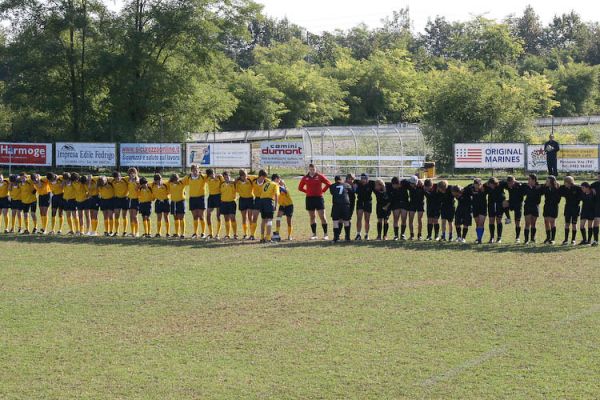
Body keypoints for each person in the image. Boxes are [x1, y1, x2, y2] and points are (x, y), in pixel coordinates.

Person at [298, 164, 331, 240]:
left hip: (319, 198)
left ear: (315, 169)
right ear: (308, 169)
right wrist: (307, 191)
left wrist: (323, 191)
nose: (312, 171)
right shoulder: (305, 177)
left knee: (322, 217)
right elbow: (300, 188)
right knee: (312, 217)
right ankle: (314, 234)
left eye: (313, 169)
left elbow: (329, 183)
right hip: (309, 199)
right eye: (310, 169)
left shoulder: (320, 176)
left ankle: (325, 234)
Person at [182, 165, 208, 239]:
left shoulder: (203, 177)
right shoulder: (188, 177)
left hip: (201, 198)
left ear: (198, 170)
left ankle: (203, 233)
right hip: (192, 198)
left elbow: (211, 177)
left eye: (196, 170)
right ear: (191, 170)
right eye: (193, 170)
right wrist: (183, 192)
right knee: (195, 216)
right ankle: (195, 233)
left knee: (201, 216)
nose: (195, 171)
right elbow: (180, 183)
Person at [502, 176, 525, 243]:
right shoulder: (507, 185)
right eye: (508, 183)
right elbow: (501, 183)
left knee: (517, 222)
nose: (510, 185)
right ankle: (508, 218)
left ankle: (517, 237)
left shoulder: (520, 186)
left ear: (514, 181)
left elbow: (526, 186)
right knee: (504, 203)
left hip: (518, 204)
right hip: (511, 202)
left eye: (511, 183)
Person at [329, 175, 352, 242]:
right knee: (346, 221)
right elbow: (351, 192)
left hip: (336, 205)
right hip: (345, 205)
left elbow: (332, 193)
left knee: (335, 221)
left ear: (335, 180)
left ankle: (336, 238)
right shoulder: (346, 185)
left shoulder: (332, 186)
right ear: (341, 179)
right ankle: (347, 237)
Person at [258, 172, 280, 243]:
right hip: (268, 201)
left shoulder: (265, 183)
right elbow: (276, 195)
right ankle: (268, 238)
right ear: (276, 179)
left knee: (263, 220)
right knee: (270, 219)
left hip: (261, 201)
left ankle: (262, 238)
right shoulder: (275, 184)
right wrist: (276, 205)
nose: (279, 181)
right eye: (279, 179)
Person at [560, 176, 581, 245]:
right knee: (567, 224)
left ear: (569, 182)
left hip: (575, 208)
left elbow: (584, 188)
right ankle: (566, 240)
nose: (564, 184)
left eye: (565, 182)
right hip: (568, 208)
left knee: (574, 224)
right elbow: (558, 187)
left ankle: (573, 240)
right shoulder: (563, 188)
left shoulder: (577, 188)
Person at [484, 177, 506, 244]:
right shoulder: (487, 186)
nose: (491, 186)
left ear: (495, 183)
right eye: (490, 184)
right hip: (491, 204)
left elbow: (508, 182)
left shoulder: (501, 184)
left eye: (492, 184)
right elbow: (481, 186)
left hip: (499, 205)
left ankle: (499, 238)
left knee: (498, 220)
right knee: (491, 220)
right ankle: (492, 238)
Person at [236, 170, 256, 240]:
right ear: (240, 176)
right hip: (242, 200)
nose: (245, 177)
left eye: (246, 175)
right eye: (243, 175)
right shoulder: (237, 182)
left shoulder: (250, 179)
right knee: (244, 218)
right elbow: (235, 189)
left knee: (250, 217)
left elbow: (258, 177)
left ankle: (252, 234)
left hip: (250, 199)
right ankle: (245, 234)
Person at [354, 173, 375, 240]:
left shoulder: (371, 183)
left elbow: (379, 184)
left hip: (368, 202)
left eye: (365, 178)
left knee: (367, 219)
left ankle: (366, 234)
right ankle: (358, 234)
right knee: (359, 218)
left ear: (367, 179)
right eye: (362, 178)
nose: (363, 180)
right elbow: (354, 182)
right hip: (360, 202)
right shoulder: (357, 183)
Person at [523, 174, 542, 244]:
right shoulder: (525, 186)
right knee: (527, 223)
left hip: (535, 206)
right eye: (528, 179)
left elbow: (546, 185)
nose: (528, 180)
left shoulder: (539, 187)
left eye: (529, 179)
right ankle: (526, 240)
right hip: (527, 206)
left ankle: (532, 238)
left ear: (534, 180)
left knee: (533, 224)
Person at [166, 173, 186, 239]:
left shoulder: (181, 183)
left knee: (181, 218)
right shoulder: (170, 184)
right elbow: (164, 183)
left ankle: (182, 233)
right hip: (173, 202)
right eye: (174, 179)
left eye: (177, 179)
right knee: (176, 218)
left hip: (181, 202)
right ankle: (177, 233)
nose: (176, 181)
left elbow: (185, 179)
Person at [542, 176, 561, 245]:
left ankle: (553, 239)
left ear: (552, 182)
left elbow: (558, 199)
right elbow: (539, 186)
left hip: (554, 207)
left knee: (552, 222)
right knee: (546, 221)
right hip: (546, 206)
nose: (546, 182)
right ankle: (548, 237)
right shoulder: (545, 188)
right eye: (546, 181)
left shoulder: (557, 189)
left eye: (547, 181)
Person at [219, 171, 238, 240]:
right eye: (225, 177)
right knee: (226, 219)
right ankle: (227, 234)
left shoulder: (234, 183)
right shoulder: (222, 184)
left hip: (231, 203)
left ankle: (235, 234)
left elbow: (238, 179)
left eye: (227, 176)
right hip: (224, 203)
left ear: (229, 176)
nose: (226, 178)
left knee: (233, 218)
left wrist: (233, 181)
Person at [206, 169, 224, 239]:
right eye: (210, 174)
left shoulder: (219, 178)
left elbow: (224, 182)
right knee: (208, 215)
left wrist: (220, 176)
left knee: (218, 215)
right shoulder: (207, 179)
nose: (212, 175)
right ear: (208, 175)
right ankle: (210, 233)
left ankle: (217, 234)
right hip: (211, 197)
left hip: (218, 196)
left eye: (213, 173)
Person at [110, 172, 129, 236]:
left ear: (120, 176)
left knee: (124, 216)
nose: (117, 178)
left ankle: (124, 231)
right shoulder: (112, 181)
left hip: (125, 199)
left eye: (118, 177)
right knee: (116, 216)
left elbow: (135, 177)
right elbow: (103, 178)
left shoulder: (125, 179)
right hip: (117, 199)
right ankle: (116, 232)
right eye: (116, 178)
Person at [470, 178, 487, 244]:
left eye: (479, 184)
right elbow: (465, 189)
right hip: (475, 208)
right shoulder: (471, 188)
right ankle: (479, 237)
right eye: (475, 185)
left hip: (483, 208)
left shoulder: (484, 188)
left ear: (481, 184)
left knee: (480, 223)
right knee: (477, 224)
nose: (477, 186)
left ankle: (479, 239)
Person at [124, 168, 140, 237]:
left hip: (136, 200)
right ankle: (132, 232)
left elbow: (138, 189)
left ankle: (137, 232)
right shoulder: (128, 180)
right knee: (130, 216)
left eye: (133, 172)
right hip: (130, 199)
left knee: (135, 216)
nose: (132, 174)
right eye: (130, 173)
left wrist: (135, 182)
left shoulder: (138, 180)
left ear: (135, 173)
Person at [592, 172, 600, 246]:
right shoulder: (595, 184)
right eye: (598, 176)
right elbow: (585, 186)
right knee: (596, 221)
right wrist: (592, 189)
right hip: (597, 206)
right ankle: (595, 240)